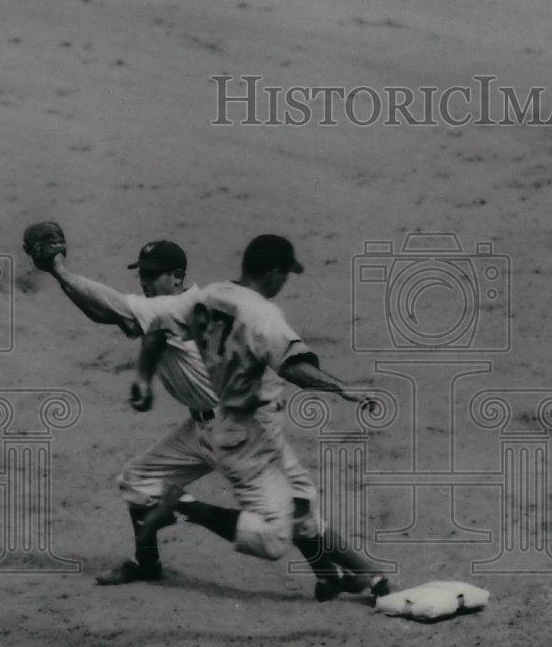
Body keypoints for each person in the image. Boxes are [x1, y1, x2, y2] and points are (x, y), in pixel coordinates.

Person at [43, 237, 388, 600]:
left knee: (296, 515)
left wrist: (59, 270)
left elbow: (111, 307)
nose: (145, 282)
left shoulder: (185, 306)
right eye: (142, 274)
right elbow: (107, 313)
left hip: (246, 433)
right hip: (200, 430)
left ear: (177, 277)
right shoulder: (184, 307)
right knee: (138, 480)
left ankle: (366, 577)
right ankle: (148, 562)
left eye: (153, 275)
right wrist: (60, 276)